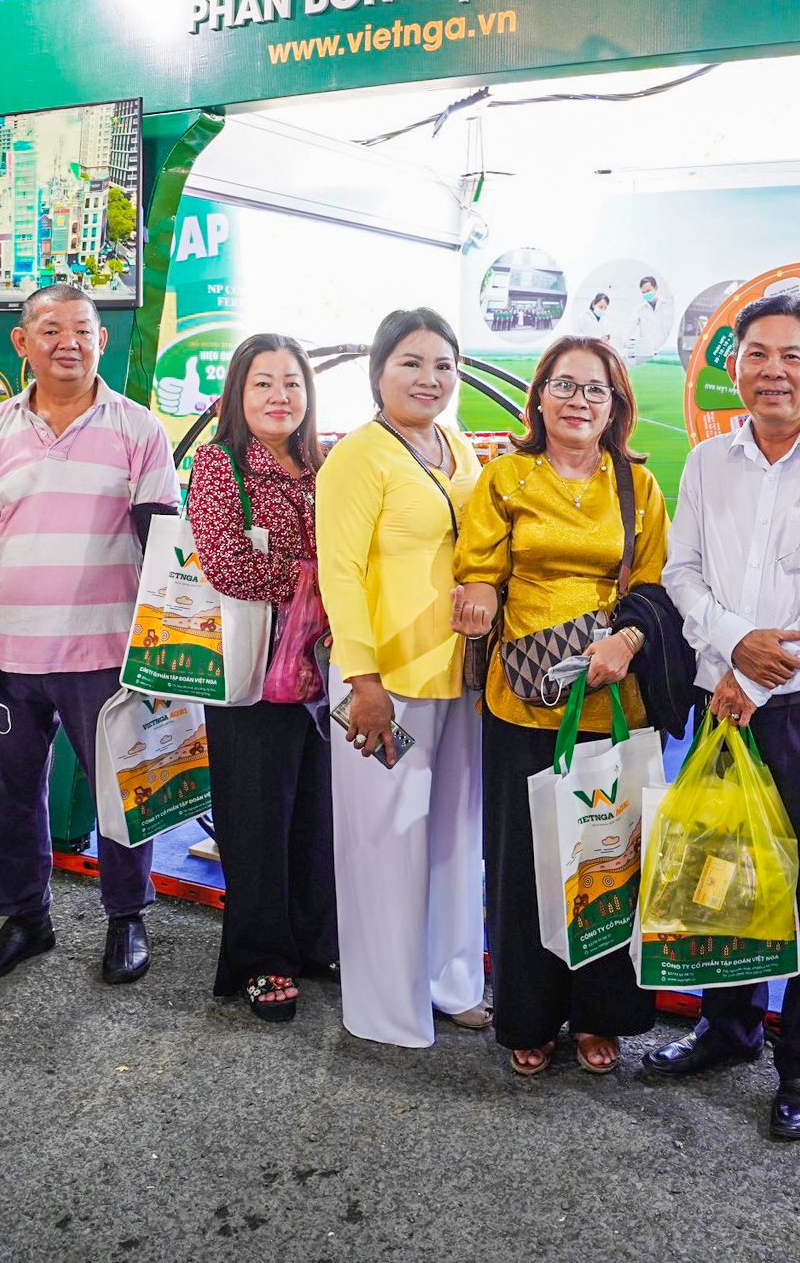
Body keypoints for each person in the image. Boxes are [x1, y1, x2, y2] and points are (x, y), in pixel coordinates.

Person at [652, 293, 800, 1139]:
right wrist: (732, 644)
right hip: (721, 701)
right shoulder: (706, 463)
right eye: (756, 354)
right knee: (721, 870)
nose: (773, 371)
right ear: (734, 366)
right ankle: (727, 1027)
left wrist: (755, 679)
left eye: (791, 355)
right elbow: (682, 574)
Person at [0, 283, 180, 988]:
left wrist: (167, 641)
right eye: (50, 329)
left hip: (108, 650)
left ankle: (126, 915)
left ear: (101, 340)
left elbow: (161, 540)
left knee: (122, 789)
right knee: (6, 793)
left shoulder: (140, 428)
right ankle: (25, 919)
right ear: (23, 343)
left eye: (81, 329)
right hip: (7, 653)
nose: (67, 342)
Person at [453, 336, 668, 1076]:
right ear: (539, 396)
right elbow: (479, 567)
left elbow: (655, 585)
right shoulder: (505, 477)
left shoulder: (638, 487)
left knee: (606, 859)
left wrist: (627, 642)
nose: (579, 401)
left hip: (614, 695)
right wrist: (477, 596)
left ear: (615, 407)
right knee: (521, 864)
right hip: (523, 697)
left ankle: (601, 1014)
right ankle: (528, 1013)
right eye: (565, 385)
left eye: (596, 389)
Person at [315, 307, 489, 1047]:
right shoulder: (358, 456)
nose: (430, 378)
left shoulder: (458, 445)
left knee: (453, 841)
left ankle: (452, 983)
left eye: (443, 365)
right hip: (384, 684)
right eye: (411, 363)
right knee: (385, 849)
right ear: (378, 372)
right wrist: (363, 679)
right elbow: (339, 574)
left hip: (460, 675)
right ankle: (387, 1008)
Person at [184, 334, 336, 1023]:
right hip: (250, 672)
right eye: (263, 383)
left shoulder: (322, 466)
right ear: (237, 395)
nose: (280, 396)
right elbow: (228, 566)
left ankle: (312, 942)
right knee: (254, 819)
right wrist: (324, 581)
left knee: (313, 814)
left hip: (319, 671)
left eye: (292, 383)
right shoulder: (220, 464)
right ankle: (260, 959)